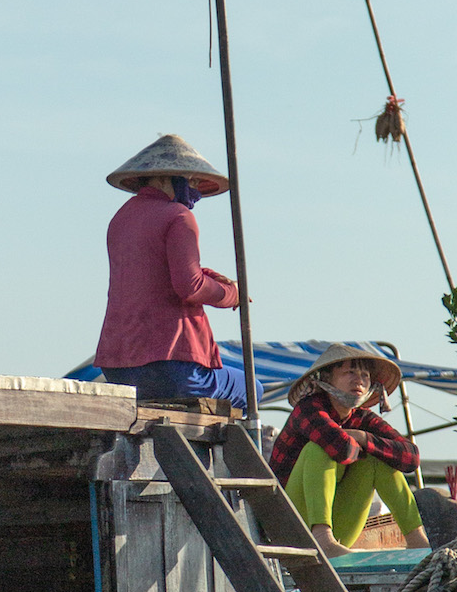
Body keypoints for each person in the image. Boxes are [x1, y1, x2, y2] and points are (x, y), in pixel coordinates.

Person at [94, 133, 249, 408]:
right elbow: (190, 286)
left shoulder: (119, 219)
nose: (193, 187)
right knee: (252, 389)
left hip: (117, 367)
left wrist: (211, 276)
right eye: (188, 179)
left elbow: (155, 271)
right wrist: (232, 294)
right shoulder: (178, 215)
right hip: (173, 366)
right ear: (164, 178)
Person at [270, 343, 427, 558]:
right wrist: (362, 443)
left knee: (379, 457)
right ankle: (322, 537)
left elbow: (411, 457)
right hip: (289, 527)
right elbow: (339, 448)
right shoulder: (309, 408)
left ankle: (417, 539)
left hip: (341, 528)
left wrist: (363, 437)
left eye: (364, 375)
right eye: (349, 372)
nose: (359, 380)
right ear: (326, 380)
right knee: (319, 448)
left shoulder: (362, 418)